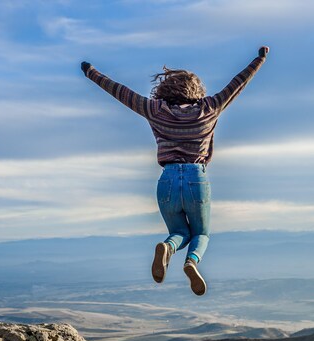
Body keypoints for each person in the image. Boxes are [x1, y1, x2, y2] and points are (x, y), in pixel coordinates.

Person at [81, 46, 269, 296]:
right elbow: (237, 83)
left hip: (167, 180)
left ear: (164, 91)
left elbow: (120, 92)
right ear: (196, 91)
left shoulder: (155, 110)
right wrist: (260, 59)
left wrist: (91, 72)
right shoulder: (209, 108)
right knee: (201, 233)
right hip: (196, 177)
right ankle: (191, 262)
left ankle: (168, 248)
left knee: (179, 232)